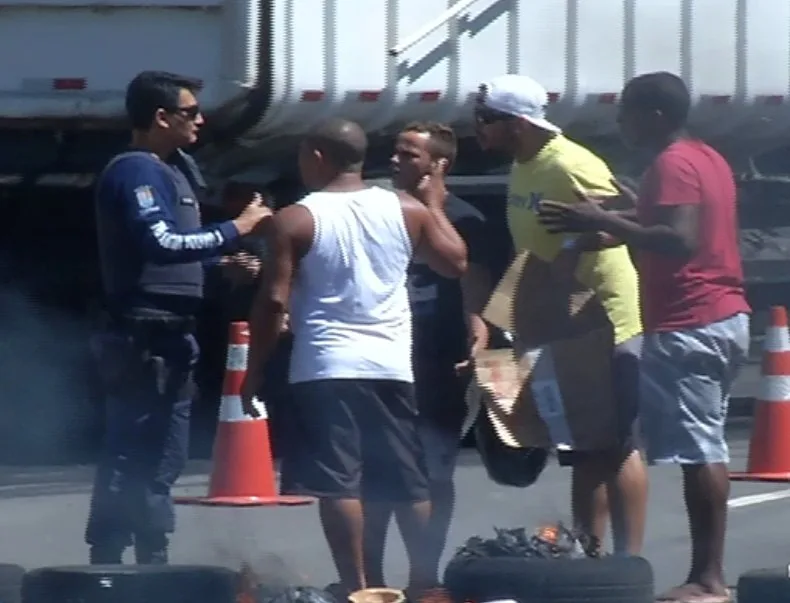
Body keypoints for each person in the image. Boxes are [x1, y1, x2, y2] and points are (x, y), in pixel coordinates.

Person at [538, 71, 750, 603]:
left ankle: (709, 579)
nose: (619, 121)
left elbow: (677, 239)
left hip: (691, 320)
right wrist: (604, 224)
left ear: (655, 115)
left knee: (701, 449)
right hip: (721, 315)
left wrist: (601, 216)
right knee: (703, 444)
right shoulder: (705, 156)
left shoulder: (673, 163)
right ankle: (706, 575)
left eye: (626, 110)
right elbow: (663, 220)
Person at [240, 118, 468, 597]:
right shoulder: (405, 208)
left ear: (317, 156)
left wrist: (255, 369)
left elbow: (274, 302)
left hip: (326, 366)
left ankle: (358, 586)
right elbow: (456, 261)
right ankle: (425, 583)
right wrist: (433, 204)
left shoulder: (296, 218)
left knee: (341, 483)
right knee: (406, 479)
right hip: (391, 365)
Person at [87, 70, 271, 565]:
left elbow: (174, 253)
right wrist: (237, 229)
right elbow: (161, 242)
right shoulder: (136, 171)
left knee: (164, 456)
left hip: (173, 338)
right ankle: (106, 562)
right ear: (160, 117)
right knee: (131, 451)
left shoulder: (173, 170)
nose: (200, 121)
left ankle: (153, 556)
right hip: (141, 336)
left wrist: (222, 263)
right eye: (189, 113)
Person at [474, 74, 649, 556]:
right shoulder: (523, 163)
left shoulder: (571, 163)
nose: (478, 129)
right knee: (580, 445)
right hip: (558, 321)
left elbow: (637, 220)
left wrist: (579, 242)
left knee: (617, 443)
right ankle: (589, 555)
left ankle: (629, 561)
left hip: (605, 318)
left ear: (517, 124)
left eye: (487, 119)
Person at [363, 122, 494, 588]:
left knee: (432, 470)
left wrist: (478, 336)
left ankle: (425, 577)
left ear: (439, 164)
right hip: (381, 356)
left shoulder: (465, 218)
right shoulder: (376, 209)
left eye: (409, 154)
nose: (396, 160)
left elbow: (473, 291)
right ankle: (369, 581)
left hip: (438, 360)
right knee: (374, 473)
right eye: (395, 152)